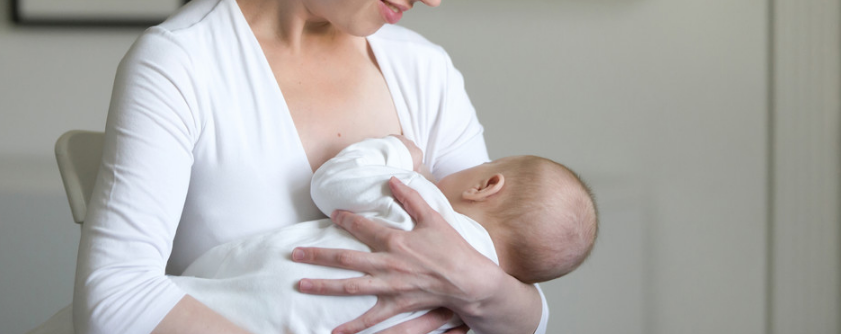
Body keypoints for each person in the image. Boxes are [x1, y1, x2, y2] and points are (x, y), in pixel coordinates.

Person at [74, 0, 551, 334]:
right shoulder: (181, 66)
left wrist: (480, 288)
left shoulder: (424, 73)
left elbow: (521, 306)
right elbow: (115, 302)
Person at [171, 135, 598, 334]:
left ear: (486, 187)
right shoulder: (464, 317)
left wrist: (398, 152)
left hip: (226, 303)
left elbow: (334, 180)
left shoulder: (422, 202)